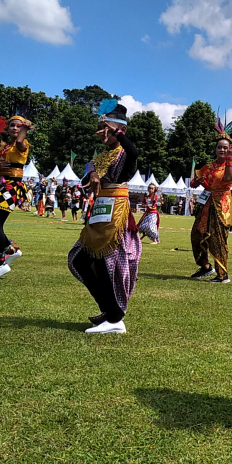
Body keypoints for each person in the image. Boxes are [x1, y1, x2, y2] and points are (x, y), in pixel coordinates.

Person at [67, 99, 140, 334]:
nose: (102, 133)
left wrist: (118, 133)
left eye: (107, 129)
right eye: (100, 129)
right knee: (79, 259)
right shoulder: (98, 157)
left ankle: (115, 317)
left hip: (115, 214)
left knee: (104, 263)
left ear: (121, 130)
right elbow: (85, 179)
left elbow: (134, 152)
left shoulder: (124, 155)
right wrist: (93, 177)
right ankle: (110, 312)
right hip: (98, 212)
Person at [0, 105, 33, 279]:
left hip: (11, 187)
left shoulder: (21, 145)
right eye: (12, 126)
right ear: (7, 129)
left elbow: (20, 142)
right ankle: (10, 250)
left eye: (18, 126)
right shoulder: (5, 147)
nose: (15, 128)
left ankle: (0, 265)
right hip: (2, 186)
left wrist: (25, 128)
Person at [189, 117, 232, 283]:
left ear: (230, 150)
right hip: (206, 203)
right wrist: (198, 181)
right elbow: (194, 183)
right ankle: (205, 267)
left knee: (217, 239)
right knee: (196, 236)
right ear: (215, 149)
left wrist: (230, 161)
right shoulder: (208, 166)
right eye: (219, 148)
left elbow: (229, 179)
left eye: (225, 148)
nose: (222, 150)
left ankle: (223, 275)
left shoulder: (230, 166)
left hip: (221, 204)